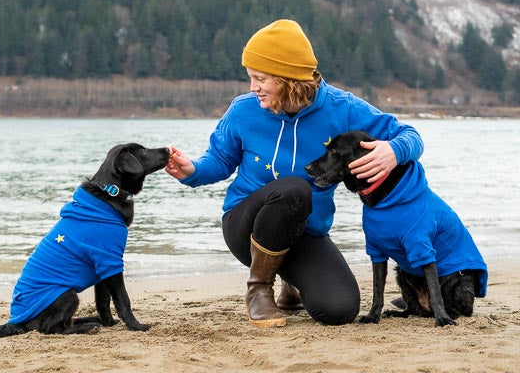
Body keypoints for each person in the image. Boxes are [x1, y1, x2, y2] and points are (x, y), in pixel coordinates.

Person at [165, 19, 424, 328]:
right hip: (245, 227)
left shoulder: (343, 109)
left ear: (288, 79)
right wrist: (191, 170)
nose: (253, 87)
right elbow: (219, 160)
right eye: (250, 78)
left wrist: (394, 152)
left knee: (339, 309)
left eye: (260, 78)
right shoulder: (243, 110)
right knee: (293, 188)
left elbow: (409, 136)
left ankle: (292, 284)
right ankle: (259, 288)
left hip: (305, 232)